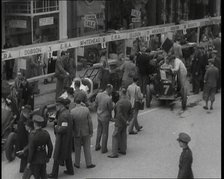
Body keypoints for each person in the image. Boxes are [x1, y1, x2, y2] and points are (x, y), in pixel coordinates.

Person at [48, 98, 74, 178]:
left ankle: (54, 174)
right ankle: (70, 170)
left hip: (62, 139)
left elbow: (63, 128)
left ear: (60, 105)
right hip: (67, 138)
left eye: (57, 105)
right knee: (67, 155)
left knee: (57, 156)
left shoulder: (63, 115)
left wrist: (56, 127)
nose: (56, 107)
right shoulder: (66, 112)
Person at [70, 99, 96, 169]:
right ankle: (89, 163)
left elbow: (71, 124)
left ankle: (77, 163)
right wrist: (91, 131)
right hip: (86, 131)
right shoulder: (86, 110)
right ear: (81, 102)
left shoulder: (72, 111)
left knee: (77, 148)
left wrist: (72, 133)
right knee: (87, 147)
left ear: (75, 103)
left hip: (77, 132)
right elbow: (90, 122)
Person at [108, 88, 132, 158]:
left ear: (121, 93)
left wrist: (124, 121)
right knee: (123, 135)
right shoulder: (128, 102)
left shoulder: (119, 103)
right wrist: (128, 121)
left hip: (119, 122)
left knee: (115, 136)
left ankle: (114, 153)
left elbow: (119, 114)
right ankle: (123, 149)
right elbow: (131, 113)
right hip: (125, 123)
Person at [27, 115, 53, 179]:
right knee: (44, 174)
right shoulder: (46, 133)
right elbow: (50, 147)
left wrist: (29, 161)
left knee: (37, 176)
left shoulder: (32, 135)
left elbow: (31, 150)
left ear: (35, 124)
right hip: (43, 157)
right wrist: (48, 157)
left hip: (35, 160)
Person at [95, 84, 114, 153]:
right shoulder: (108, 98)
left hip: (99, 115)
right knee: (105, 133)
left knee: (99, 131)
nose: (112, 91)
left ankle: (97, 145)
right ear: (109, 89)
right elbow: (110, 108)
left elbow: (96, 104)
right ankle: (104, 148)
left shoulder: (98, 95)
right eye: (111, 89)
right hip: (105, 117)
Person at [16, 105, 32, 173]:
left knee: (24, 157)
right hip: (24, 141)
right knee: (25, 156)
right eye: (29, 114)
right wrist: (24, 146)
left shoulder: (24, 119)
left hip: (24, 140)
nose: (29, 115)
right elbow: (21, 136)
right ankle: (24, 170)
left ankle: (22, 169)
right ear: (26, 113)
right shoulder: (21, 122)